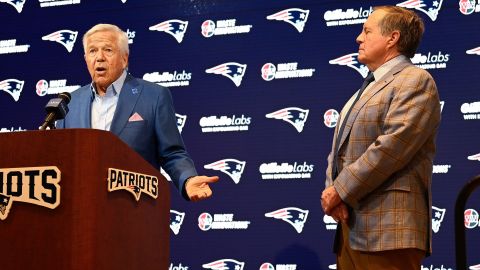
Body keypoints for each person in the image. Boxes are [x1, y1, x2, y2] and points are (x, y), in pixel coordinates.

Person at [321, 6, 441, 270]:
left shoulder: (416, 80)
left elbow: (390, 147)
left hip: (389, 232)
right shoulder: (364, 89)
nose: (358, 38)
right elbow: (338, 150)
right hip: (350, 229)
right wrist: (333, 192)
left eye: (366, 31)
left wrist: (339, 190)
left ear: (392, 38)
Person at [56, 23, 218, 202]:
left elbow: (172, 153)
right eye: (93, 51)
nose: (99, 58)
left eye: (108, 50)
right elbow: (61, 159)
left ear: (125, 59)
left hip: (135, 208)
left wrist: (187, 179)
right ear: (86, 58)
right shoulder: (69, 102)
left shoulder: (154, 96)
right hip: (83, 209)